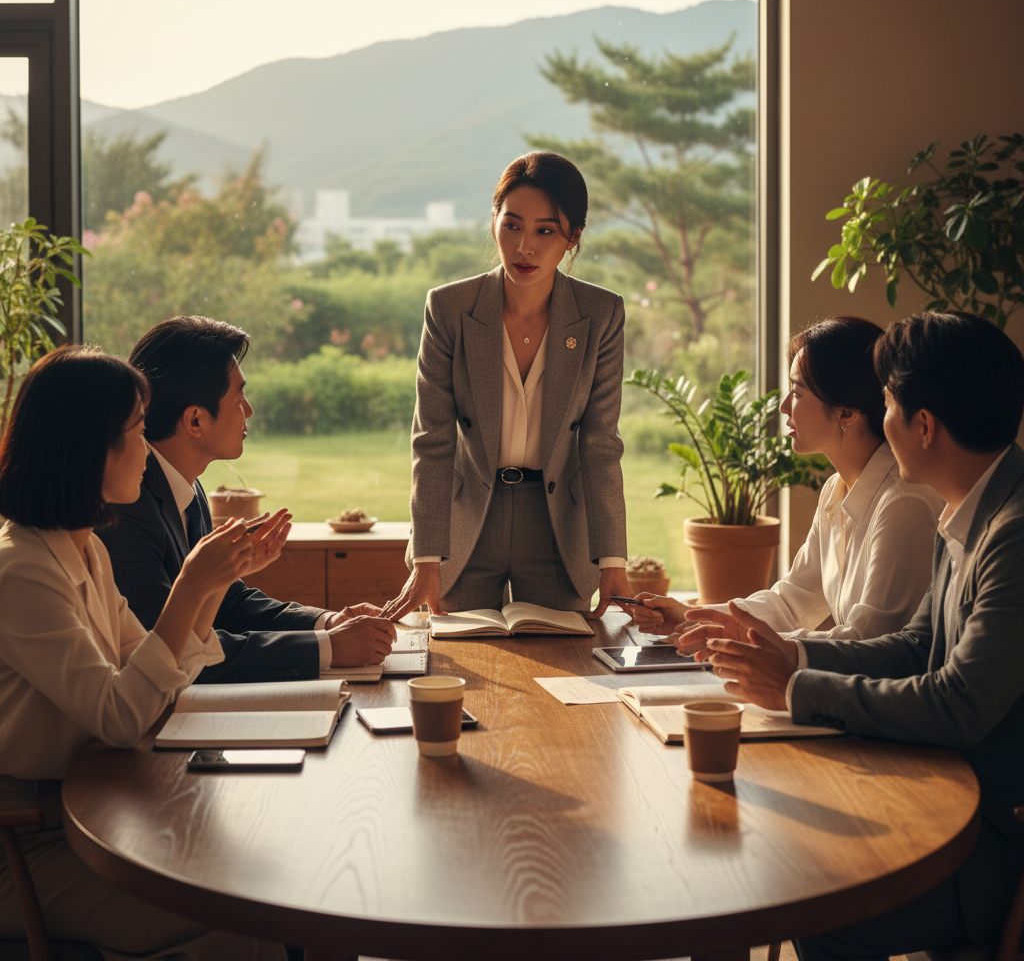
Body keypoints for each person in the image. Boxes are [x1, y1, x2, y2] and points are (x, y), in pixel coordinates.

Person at [679, 311, 1024, 960]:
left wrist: (797, 687)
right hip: (944, 798)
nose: (880, 418)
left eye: (888, 403)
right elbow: (915, 645)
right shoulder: (967, 507)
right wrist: (793, 654)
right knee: (763, 856)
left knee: (810, 898)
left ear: (924, 426)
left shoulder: (1012, 532)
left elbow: (959, 704)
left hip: (990, 844)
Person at [0, 344, 283, 960]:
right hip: (29, 838)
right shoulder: (21, 573)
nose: (145, 452)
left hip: (93, 808)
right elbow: (122, 717)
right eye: (133, 433)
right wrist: (189, 585)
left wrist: (209, 586)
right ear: (85, 451)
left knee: (265, 878)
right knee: (240, 915)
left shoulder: (85, 550)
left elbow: (160, 685)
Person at [386, 151, 632, 618]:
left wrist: (612, 561)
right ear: (494, 221)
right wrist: (426, 558)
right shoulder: (449, 309)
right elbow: (432, 442)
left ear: (572, 239)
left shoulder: (601, 315)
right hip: (466, 527)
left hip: (557, 527)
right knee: (459, 668)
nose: (525, 247)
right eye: (512, 225)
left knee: (569, 670)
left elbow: (601, 444)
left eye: (546, 231)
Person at [97, 316, 396, 683]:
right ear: (195, 421)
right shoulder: (126, 508)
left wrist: (328, 622)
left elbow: (224, 604)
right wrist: (329, 647)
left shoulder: (186, 486)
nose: (249, 409)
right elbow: (176, 649)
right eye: (239, 396)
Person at [636, 315, 944, 642]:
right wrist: (695, 616)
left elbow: (872, 643)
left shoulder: (903, 504)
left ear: (847, 413)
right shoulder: (835, 491)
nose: (784, 407)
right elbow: (791, 600)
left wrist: (758, 645)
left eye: (797, 392)